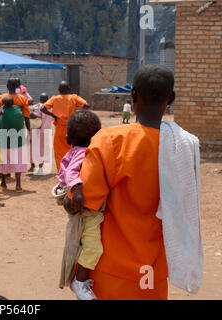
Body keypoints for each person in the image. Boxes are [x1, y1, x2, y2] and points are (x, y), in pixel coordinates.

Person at [76, 65, 181, 300]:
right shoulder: (183, 147)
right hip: (154, 272)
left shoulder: (110, 140)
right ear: (171, 98)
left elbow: (86, 200)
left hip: (111, 270)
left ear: (132, 95)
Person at [57, 110, 103, 300]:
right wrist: (76, 190)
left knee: (83, 245)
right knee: (93, 248)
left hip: (83, 208)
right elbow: (71, 174)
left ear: (68, 138)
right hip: (86, 211)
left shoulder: (75, 150)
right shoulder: (84, 153)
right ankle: (80, 281)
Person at [41, 81, 90, 172]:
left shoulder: (55, 98)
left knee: (59, 152)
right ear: (69, 89)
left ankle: (62, 173)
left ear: (59, 90)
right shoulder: (74, 97)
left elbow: (42, 108)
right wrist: (78, 115)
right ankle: (73, 171)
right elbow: (87, 105)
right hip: (72, 129)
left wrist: (53, 116)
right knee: (74, 150)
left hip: (59, 129)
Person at [0, 96, 28, 193]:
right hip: (17, 140)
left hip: (3, 141)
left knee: (4, 161)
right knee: (18, 162)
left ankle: (3, 183)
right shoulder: (18, 110)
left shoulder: (1, 112)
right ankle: (18, 185)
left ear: (3, 104)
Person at [28, 93, 53, 175]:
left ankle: (32, 166)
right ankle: (41, 167)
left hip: (36, 130)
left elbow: (34, 116)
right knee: (42, 149)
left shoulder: (39, 106)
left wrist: (26, 113)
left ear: (40, 99)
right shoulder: (50, 108)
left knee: (33, 148)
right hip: (46, 131)